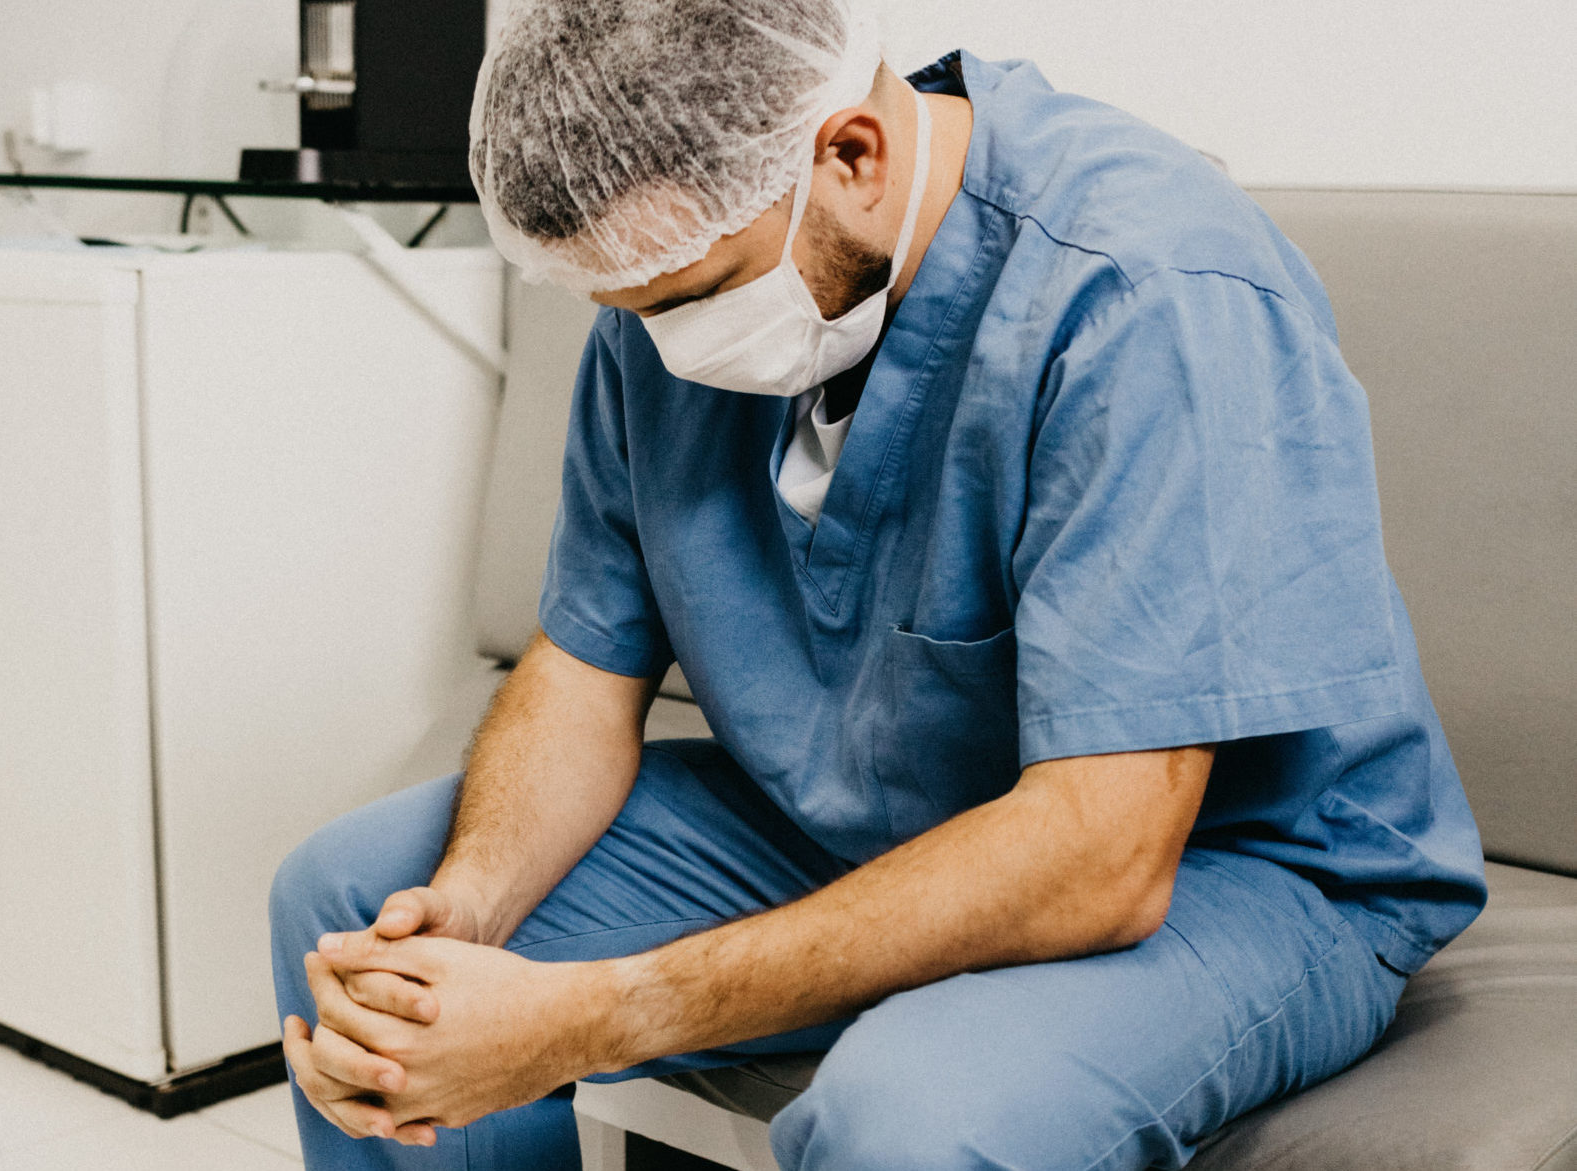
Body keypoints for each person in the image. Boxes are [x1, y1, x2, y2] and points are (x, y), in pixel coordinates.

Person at [270, 1, 1488, 1167]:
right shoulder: (678, 281)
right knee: (358, 905)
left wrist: (595, 1013)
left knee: (912, 1123)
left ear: (851, 151)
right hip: (861, 809)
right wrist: (467, 914)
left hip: (1237, 863)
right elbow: (586, 666)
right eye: (631, 310)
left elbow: (1102, 854)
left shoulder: (1146, 288)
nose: (670, 346)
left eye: (694, 300)